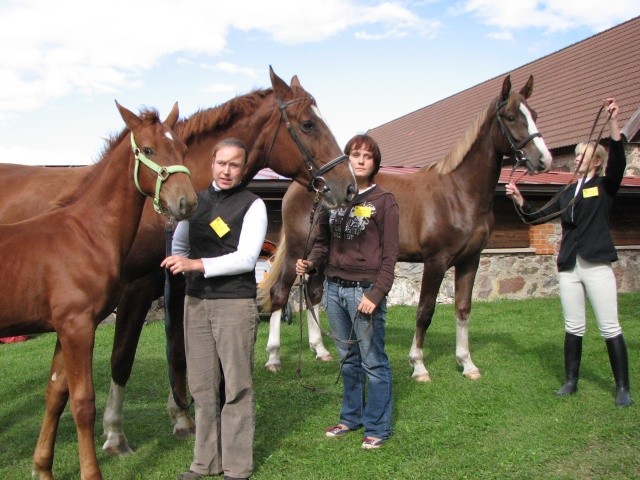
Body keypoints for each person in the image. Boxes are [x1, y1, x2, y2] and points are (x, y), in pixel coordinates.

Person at [506, 98, 631, 407]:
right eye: (575, 156)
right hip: (569, 266)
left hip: (596, 264)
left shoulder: (605, 185)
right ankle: (571, 381)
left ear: (597, 162)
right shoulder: (567, 192)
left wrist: (614, 121)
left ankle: (622, 388)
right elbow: (539, 217)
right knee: (573, 326)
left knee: (609, 327)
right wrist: (520, 200)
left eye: (581, 156)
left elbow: (619, 160)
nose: (575, 160)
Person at [162, 138, 268, 479]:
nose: (226, 170)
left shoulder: (252, 205)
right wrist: (181, 261)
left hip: (234, 303)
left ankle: (237, 466)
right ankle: (205, 462)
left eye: (234, 164)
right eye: (221, 163)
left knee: (236, 386)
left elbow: (247, 258)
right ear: (211, 163)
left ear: (243, 168)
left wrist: (195, 265)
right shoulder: (195, 202)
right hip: (196, 303)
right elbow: (180, 244)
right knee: (203, 388)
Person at [296, 134, 400, 448]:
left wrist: (376, 293)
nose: (360, 160)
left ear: (374, 163)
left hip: (364, 292)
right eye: (355, 154)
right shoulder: (332, 198)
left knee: (373, 361)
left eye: (367, 156)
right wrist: (311, 264)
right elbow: (323, 244)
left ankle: (378, 427)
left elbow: (390, 255)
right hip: (334, 289)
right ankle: (350, 418)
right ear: (347, 160)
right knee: (347, 360)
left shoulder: (384, 201)